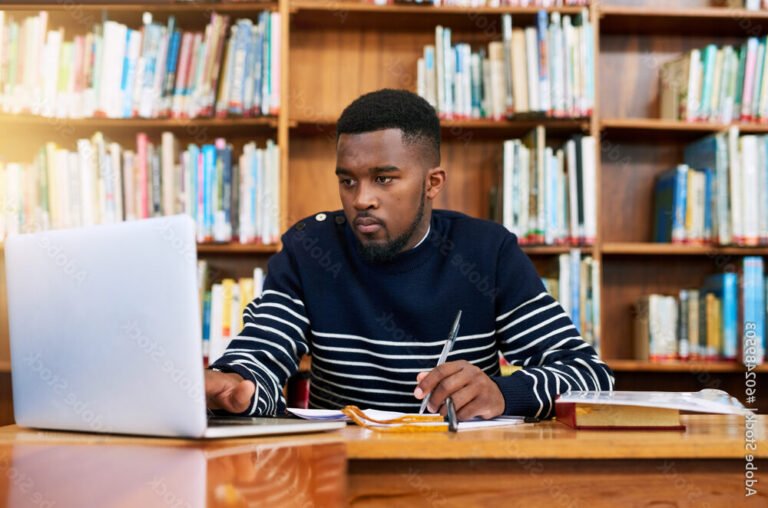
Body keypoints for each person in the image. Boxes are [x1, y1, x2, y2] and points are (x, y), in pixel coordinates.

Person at [205, 89, 613, 420]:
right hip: (341, 474)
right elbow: (262, 350)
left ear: (432, 183)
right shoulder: (309, 248)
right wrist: (238, 386)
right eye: (348, 181)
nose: (361, 199)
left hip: (460, 473)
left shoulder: (488, 253)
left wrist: (504, 394)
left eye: (384, 179)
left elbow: (591, 378)